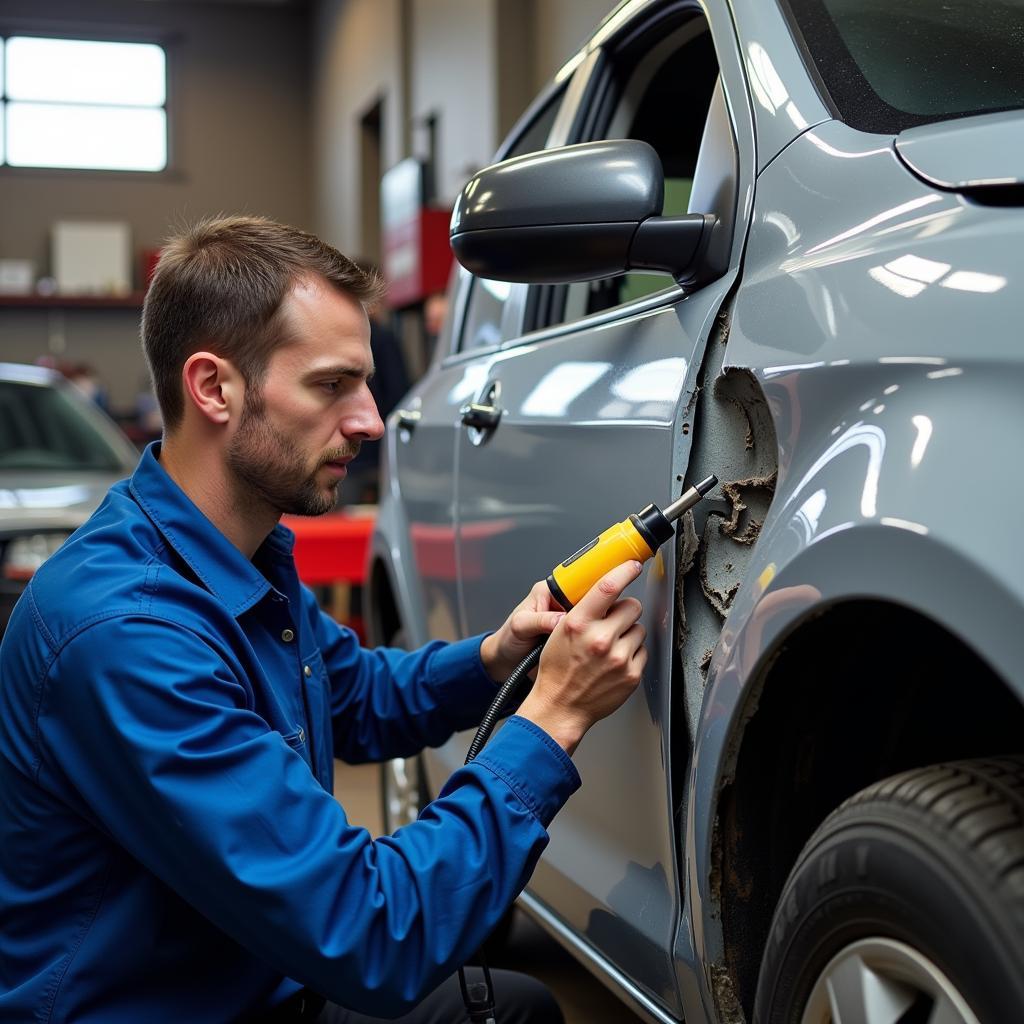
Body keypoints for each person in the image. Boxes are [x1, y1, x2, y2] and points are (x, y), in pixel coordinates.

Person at [0, 216, 648, 1023]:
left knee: (515, 1009)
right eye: (331, 385)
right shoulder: (128, 636)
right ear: (214, 388)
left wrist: (498, 656)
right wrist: (551, 719)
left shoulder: (234, 551)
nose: (372, 420)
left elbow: (354, 695)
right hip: (159, 1006)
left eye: (366, 384)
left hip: (249, 977)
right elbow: (376, 934)